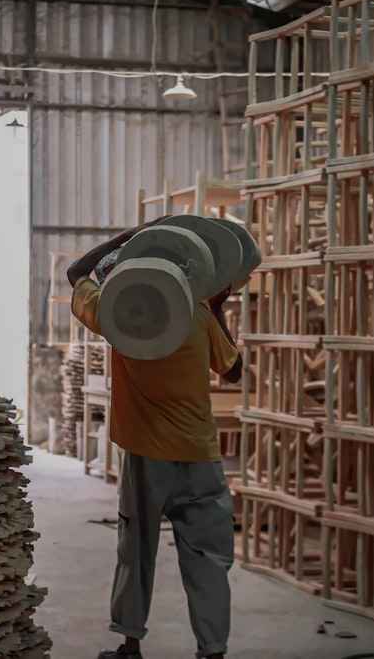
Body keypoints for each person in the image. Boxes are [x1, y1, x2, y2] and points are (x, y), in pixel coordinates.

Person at [68, 217, 244, 659]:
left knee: (137, 548)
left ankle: (130, 645)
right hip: (200, 456)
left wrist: (129, 236)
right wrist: (217, 306)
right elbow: (236, 370)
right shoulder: (199, 317)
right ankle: (213, 651)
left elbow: (75, 274)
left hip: (147, 457)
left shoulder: (116, 315)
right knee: (209, 558)